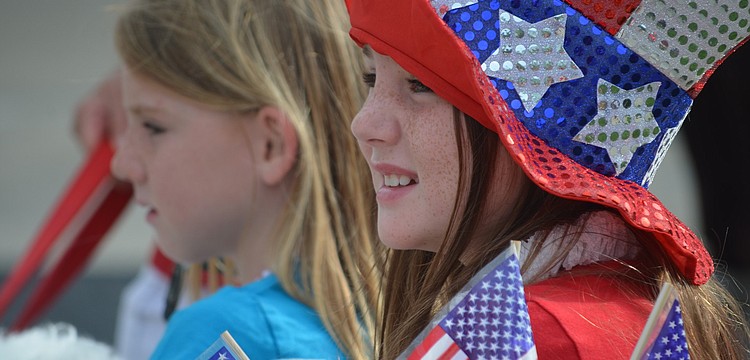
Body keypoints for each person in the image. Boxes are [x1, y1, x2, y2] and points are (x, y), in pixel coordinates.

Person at [345, 0, 750, 358]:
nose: (363, 124)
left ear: (532, 135)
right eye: (370, 79)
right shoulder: (621, 305)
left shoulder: (525, 341)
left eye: (421, 84)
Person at [110, 0, 380, 358]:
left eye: (153, 127)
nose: (122, 165)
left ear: (270, 144)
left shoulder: (218, 334)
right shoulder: (404, 320)